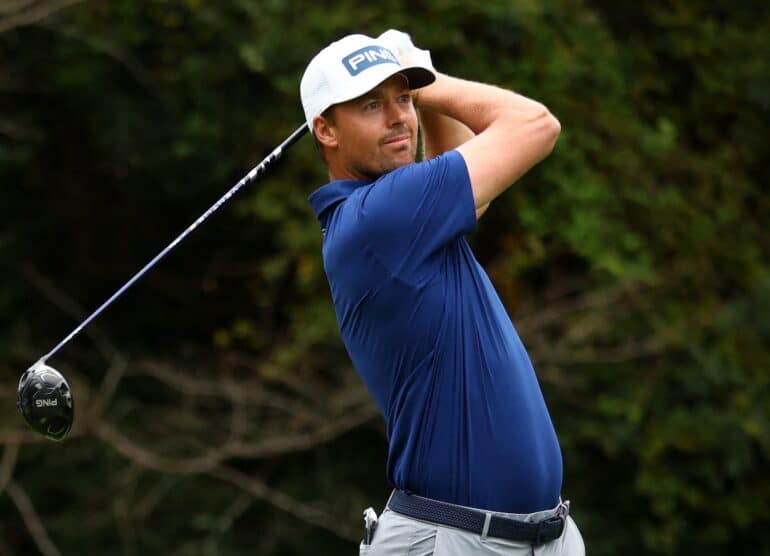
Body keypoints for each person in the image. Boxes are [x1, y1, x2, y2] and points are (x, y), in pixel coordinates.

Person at [300, 30, 585, 555]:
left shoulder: (398, 215)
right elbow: (536, 125)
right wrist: (427, 79)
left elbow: (467, 191)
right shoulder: (380, 216)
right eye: (370, 104)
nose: (398, 117)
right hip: (454, 539)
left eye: (403, 99)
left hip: (534, 537)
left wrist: (419, 90)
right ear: (326, 130)